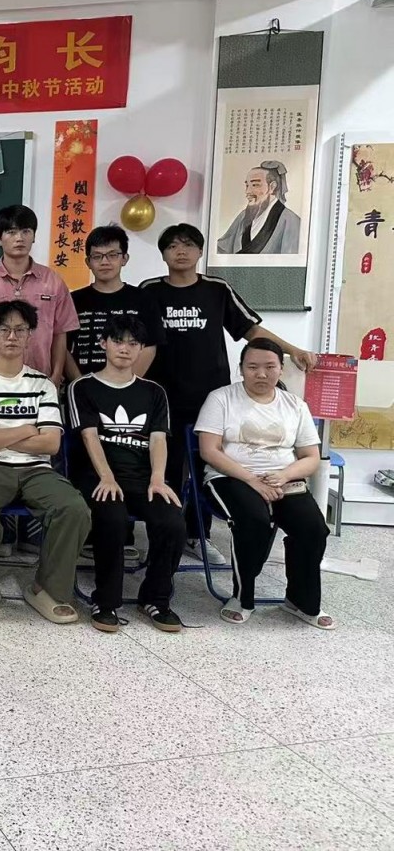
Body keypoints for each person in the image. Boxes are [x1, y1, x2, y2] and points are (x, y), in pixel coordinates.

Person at [141, 223, 317, 564]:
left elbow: (251, 329)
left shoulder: (217, 289)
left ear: (200, 251)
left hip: (211, 398)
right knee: (166, 467)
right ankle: (164, 540)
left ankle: (197, 535)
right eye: (173, 246)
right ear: (163, 254)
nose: (181, 251)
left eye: (188, 245)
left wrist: (292, 349)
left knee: (205, 466)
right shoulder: (149, 290)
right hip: (161, 396)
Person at [0, 300, 90, 624]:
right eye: (3, 329)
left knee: (73, 508)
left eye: (20, 330)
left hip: (35, 469)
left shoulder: (42, 385)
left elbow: (51, 443)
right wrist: (28, 429)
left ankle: (47, 589)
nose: (12, 336)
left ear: (30, 336)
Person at [196, 339, 335, 629]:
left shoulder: (294, 405)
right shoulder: (221, 398)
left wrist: (283, 476)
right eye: (253, 367)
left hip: (282, 479)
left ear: (281, 369)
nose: (261, 374)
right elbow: (209, 451)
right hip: (231, 477)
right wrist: (251, 479)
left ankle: (300, 601)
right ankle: (241, 598)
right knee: (253, 520)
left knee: (313, 528)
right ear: (241, 369)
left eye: (270, 367)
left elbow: (311, 457)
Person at [67, 315, 186, 633]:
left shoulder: (153, 392)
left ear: (141, 349)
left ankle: (156, 599)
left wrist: (158, 478)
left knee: (173, 522)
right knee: (112, 519)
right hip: (97, 476)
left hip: (144, 477)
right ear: (103, 343)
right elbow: (89, 436)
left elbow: (158, 439)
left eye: (133, 343)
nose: (125, 348)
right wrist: (106, 476)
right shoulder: (83, 387)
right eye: (118, 341)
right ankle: (105, 601)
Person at [0, 204, 79, 385]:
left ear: (34, 236)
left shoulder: (53, 281)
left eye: (26, 231)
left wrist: (56, 375)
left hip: (43, 380)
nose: (19, 238)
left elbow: (60, 333)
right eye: (11, 232)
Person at [64, 224, 165, 381]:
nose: (105, 262)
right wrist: (80, 384)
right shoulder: (73, 300)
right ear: (88, 262)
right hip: (84, 387)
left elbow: (150, 346)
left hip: (130, 388)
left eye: (112, 255)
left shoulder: (143, 299)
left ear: (124, 258)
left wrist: (125, 385)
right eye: (97, 256)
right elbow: (63, 347)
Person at [216, 162, 302, 256]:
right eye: (247, 186)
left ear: (272, 187)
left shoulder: (291, 221)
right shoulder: (243, 217)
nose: (247, 191)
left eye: (255, 185)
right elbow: (222, 249)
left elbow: (291, 260)